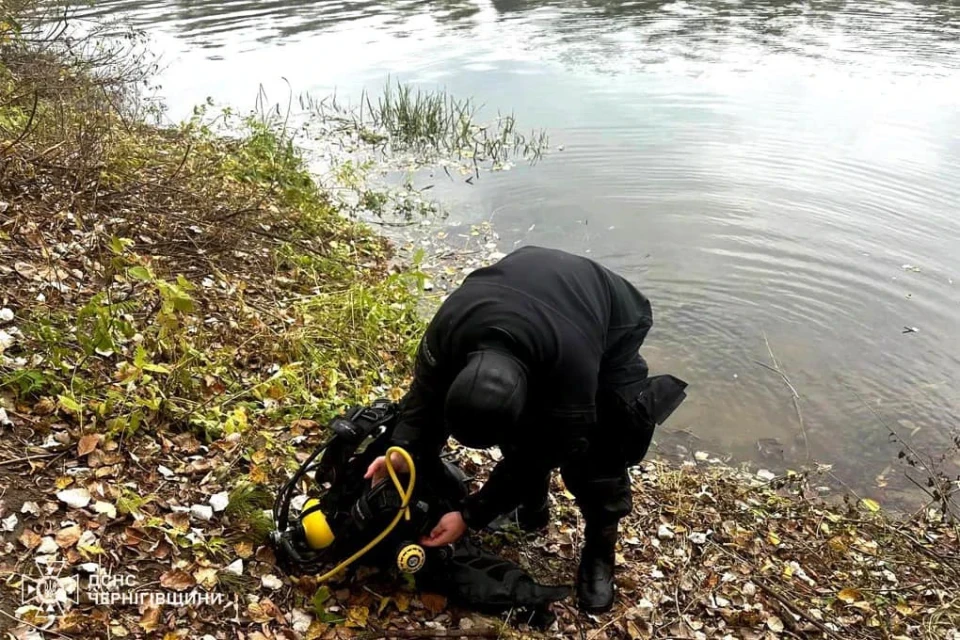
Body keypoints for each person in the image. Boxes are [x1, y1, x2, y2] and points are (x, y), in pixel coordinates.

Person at [365, 245, 685, 613]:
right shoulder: (448, 330)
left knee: (598, 450)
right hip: (525, 295)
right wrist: (403, 453)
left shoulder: (572, 369)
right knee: (522, 436)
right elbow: (424, 399)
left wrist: (470, 515)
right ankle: (532, 511)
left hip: (612, 315)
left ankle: (600, 549)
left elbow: (549, 449)